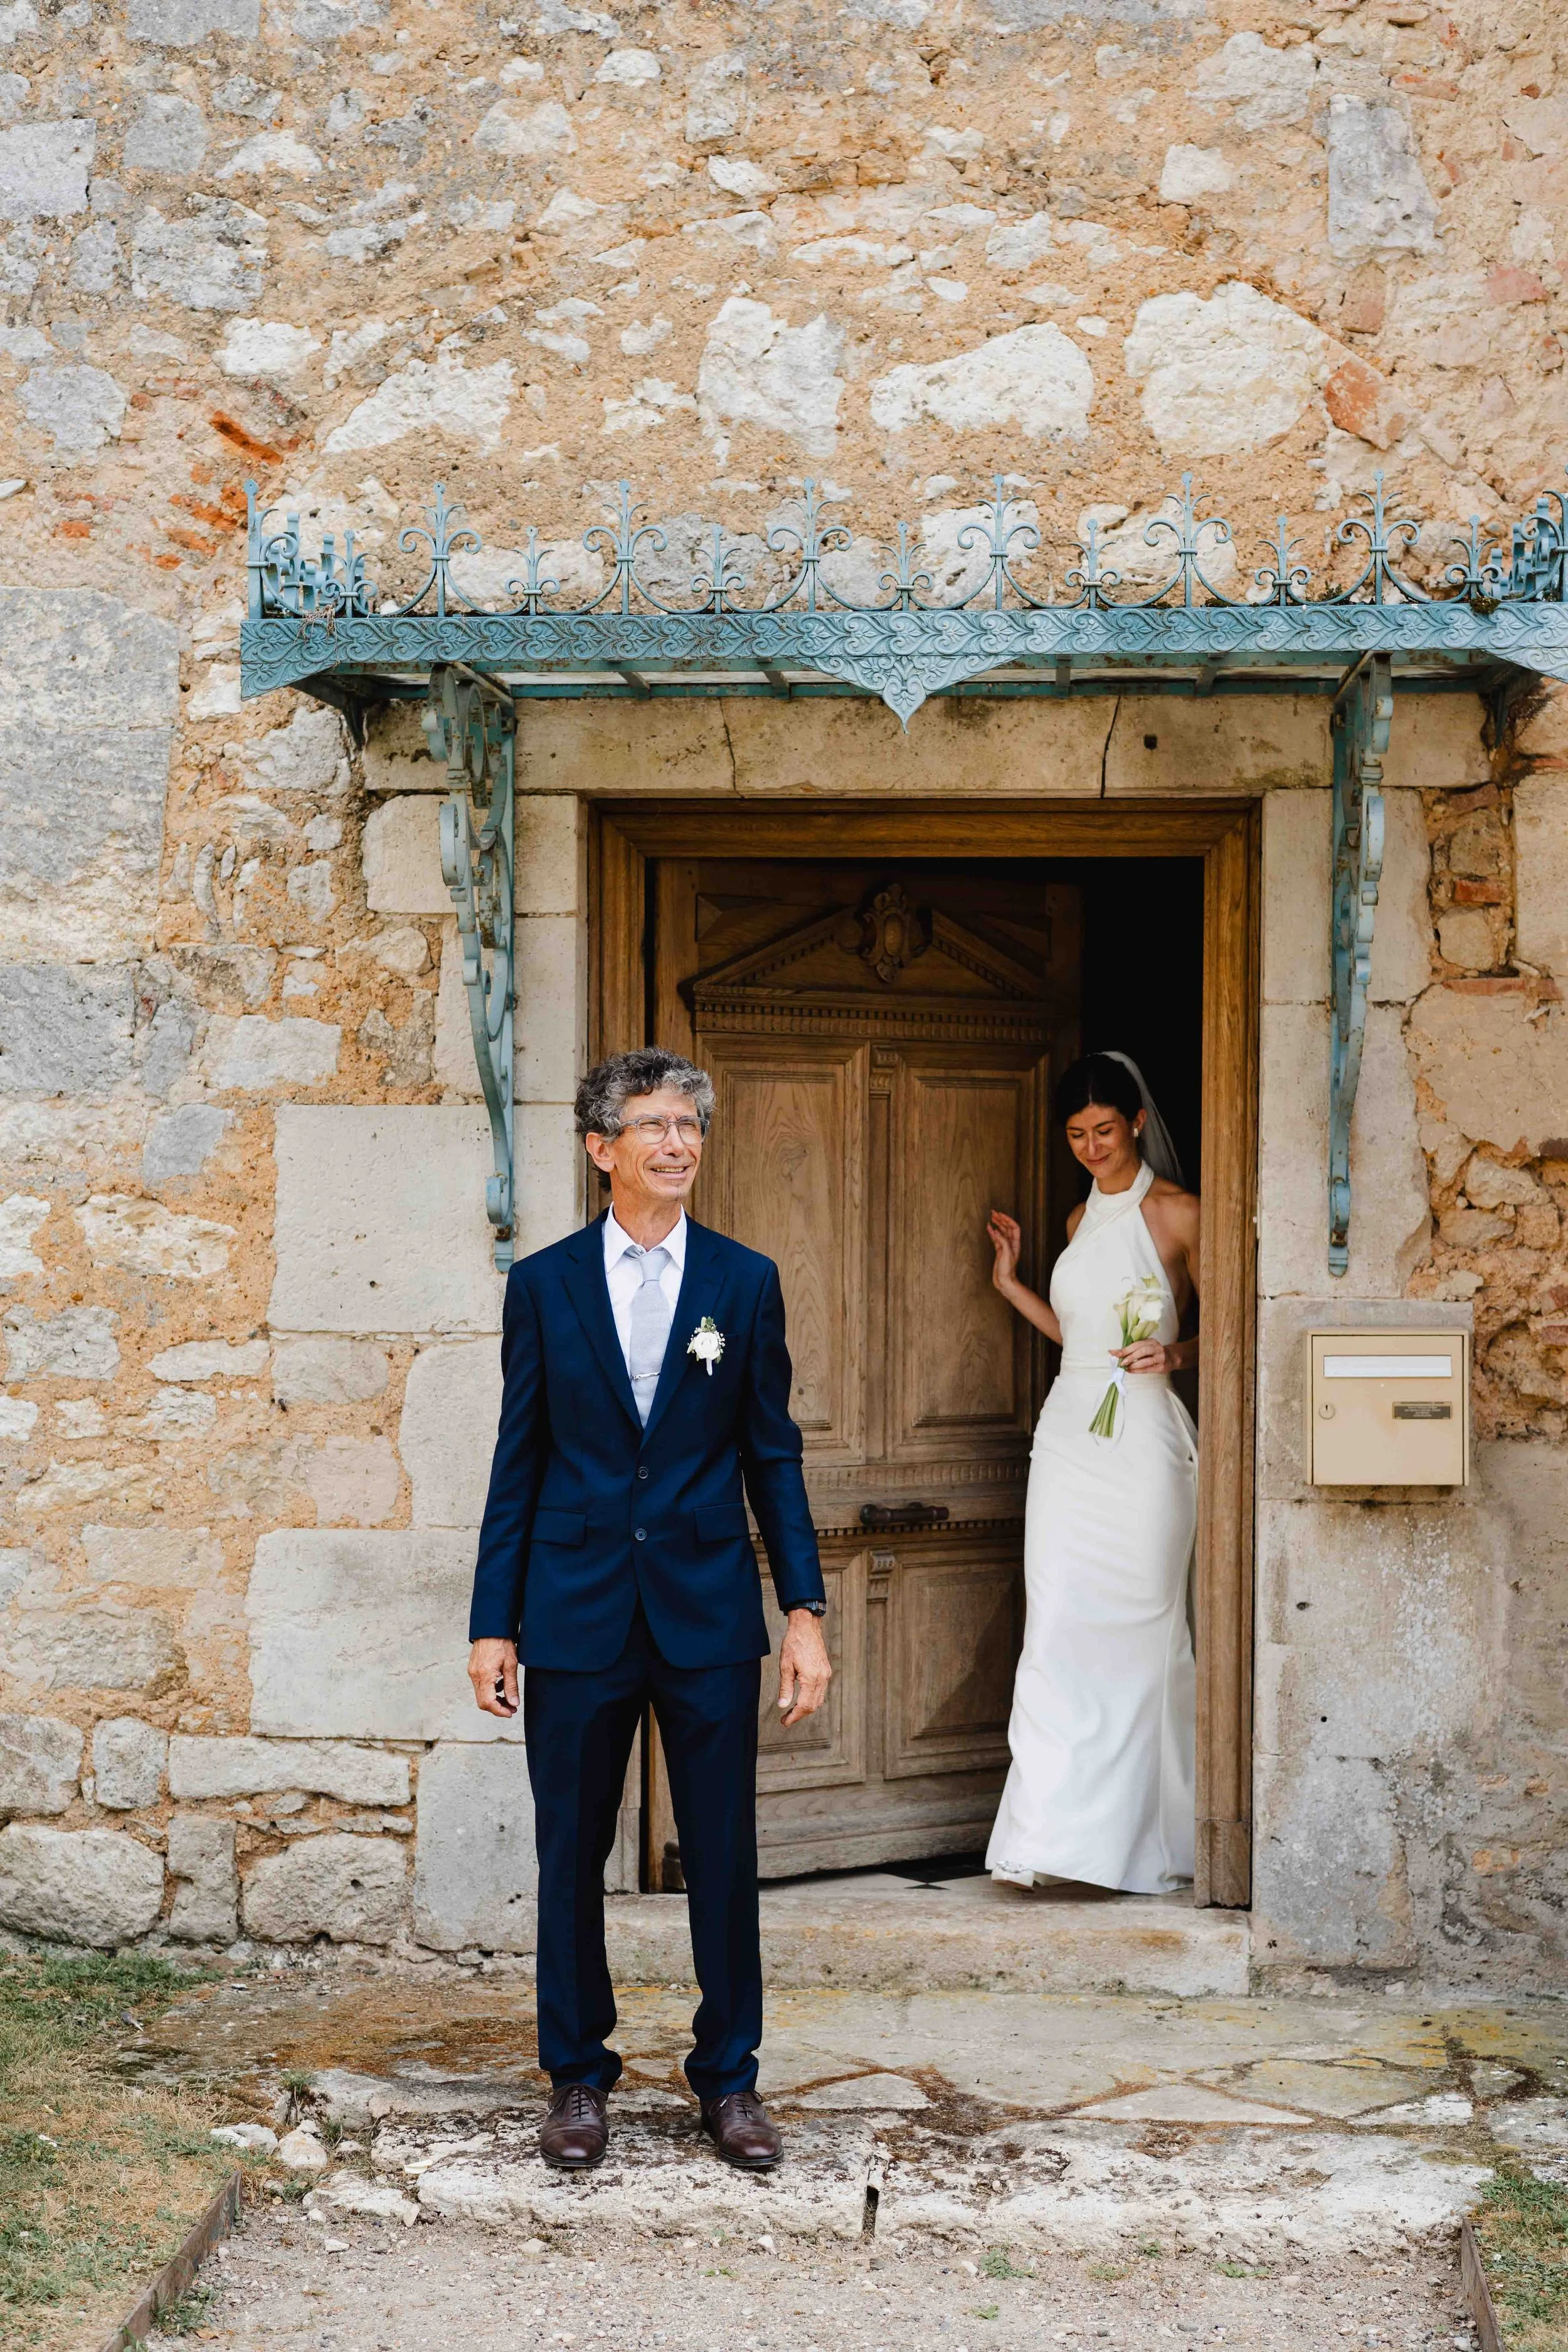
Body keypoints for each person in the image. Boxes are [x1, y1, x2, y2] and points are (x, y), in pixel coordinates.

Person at [466, 1047, 830, 2175]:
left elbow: (773, 1453)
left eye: (691, 1125)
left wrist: (803, 1611)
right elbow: (517, 1460)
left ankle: (730, 2080)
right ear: (600, 1148)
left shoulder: (744, 1280)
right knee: (572, 1851)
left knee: (723, 1853)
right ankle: (578, 2076)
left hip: (707, 1609)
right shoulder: (543, 1283)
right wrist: (494, 1620)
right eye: (655, 1125)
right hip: (572, 1610)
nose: (678, 1143)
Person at [983, 1051, 1200, 1895]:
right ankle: (1053, 1838)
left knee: (1144, 1627)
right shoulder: (1076, 1222)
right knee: (1060, 1624)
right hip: (1071, 1437)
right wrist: (1010, 1283)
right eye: (1075, 1133)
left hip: (1145, 1440)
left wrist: (1173, 1351)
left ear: (1138, 1122)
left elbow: (1237, 1330)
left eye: (1104, 1129)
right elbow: (1078, 1337)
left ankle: (1157, 1839)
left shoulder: (1182, 1213)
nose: (1090, 1145)